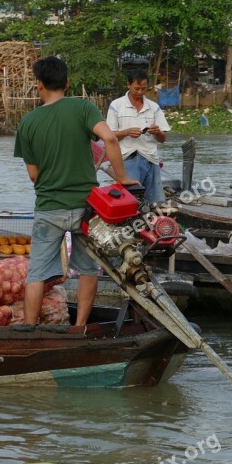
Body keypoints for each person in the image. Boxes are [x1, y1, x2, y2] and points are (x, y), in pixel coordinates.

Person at [14, 56, 138, 327]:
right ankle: (79, 328)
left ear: (39, 85)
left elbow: (33, 174)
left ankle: (31, 331)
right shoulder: (83, 108)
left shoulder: (28, 123)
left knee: (36, 274)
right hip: (87, 207)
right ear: (67, 83)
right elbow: (108, 138)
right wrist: (122, 178)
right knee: (87, 269)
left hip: (49, 207)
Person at [106, 69, 171, 204]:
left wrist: (157, 132)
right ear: (128, 85)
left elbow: (163, 138)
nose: (140, 92)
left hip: (151, 159)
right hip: (127, 158)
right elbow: (109, 136)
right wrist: (127, 132)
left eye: (143, 88)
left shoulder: (154, 107)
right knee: (131, 202)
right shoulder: (117, 105)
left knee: (155, 202)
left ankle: (152, 224)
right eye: (137, 88)